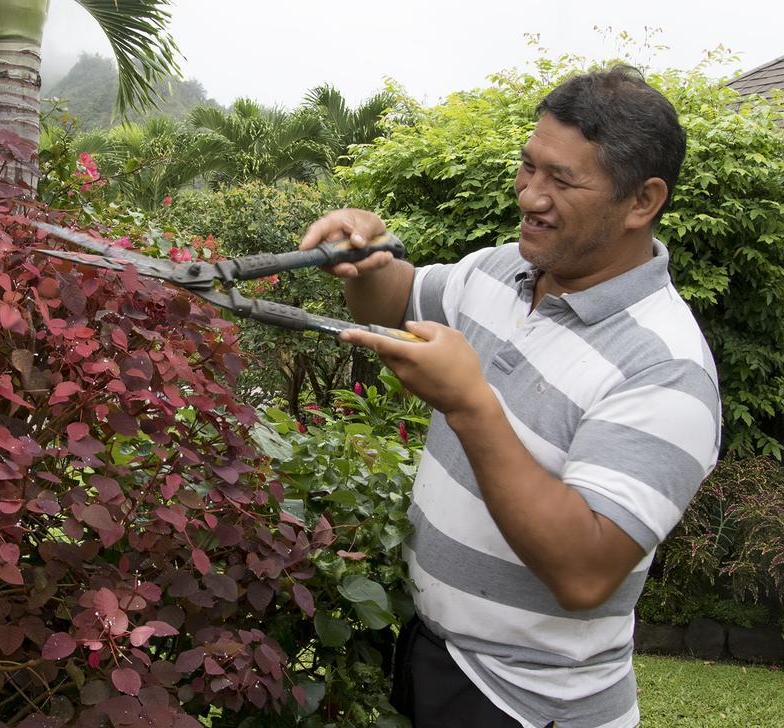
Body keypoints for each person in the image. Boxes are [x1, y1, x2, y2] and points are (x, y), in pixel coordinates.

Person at [300, 65, 721, 728]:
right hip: (436, 658)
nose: (530, 195)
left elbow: (584, 573)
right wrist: (365, 257)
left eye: (562, 180)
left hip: (532, 706)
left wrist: (470, 406)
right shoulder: (504, 269)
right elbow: (395, 301)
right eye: (529, 167)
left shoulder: (666, 369)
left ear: (642, 201)